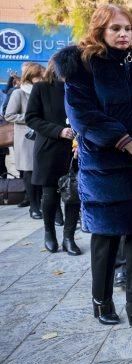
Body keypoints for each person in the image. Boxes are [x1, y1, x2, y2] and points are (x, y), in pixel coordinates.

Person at [55, 4, 132, 332]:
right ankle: (102, 301)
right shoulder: (81, 67)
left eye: (127, 29)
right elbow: (84, 116)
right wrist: (127, 142)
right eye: (115, 29)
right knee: (107, 240)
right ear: (100, 31)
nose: (123, 34)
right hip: (106, 172)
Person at [25, 58, 80, 254]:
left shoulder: (77, 88)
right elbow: (31, 117)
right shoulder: (41, 88)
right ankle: (49, 234)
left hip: (75, 149)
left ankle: (69, 238)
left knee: (74, 194)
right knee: (50, 195)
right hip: (49, 147)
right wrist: (58, 131)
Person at [5, 62, 45, 219]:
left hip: (42, 136)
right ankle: (33, 206)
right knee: (29, 172)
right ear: (31, 77)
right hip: (26, 138)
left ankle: (40, 203)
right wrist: (31, 118)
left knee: (41, 171)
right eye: (39, 76)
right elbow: (9, 115)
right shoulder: (19, 93)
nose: (42, 79)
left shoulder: (42, 91)